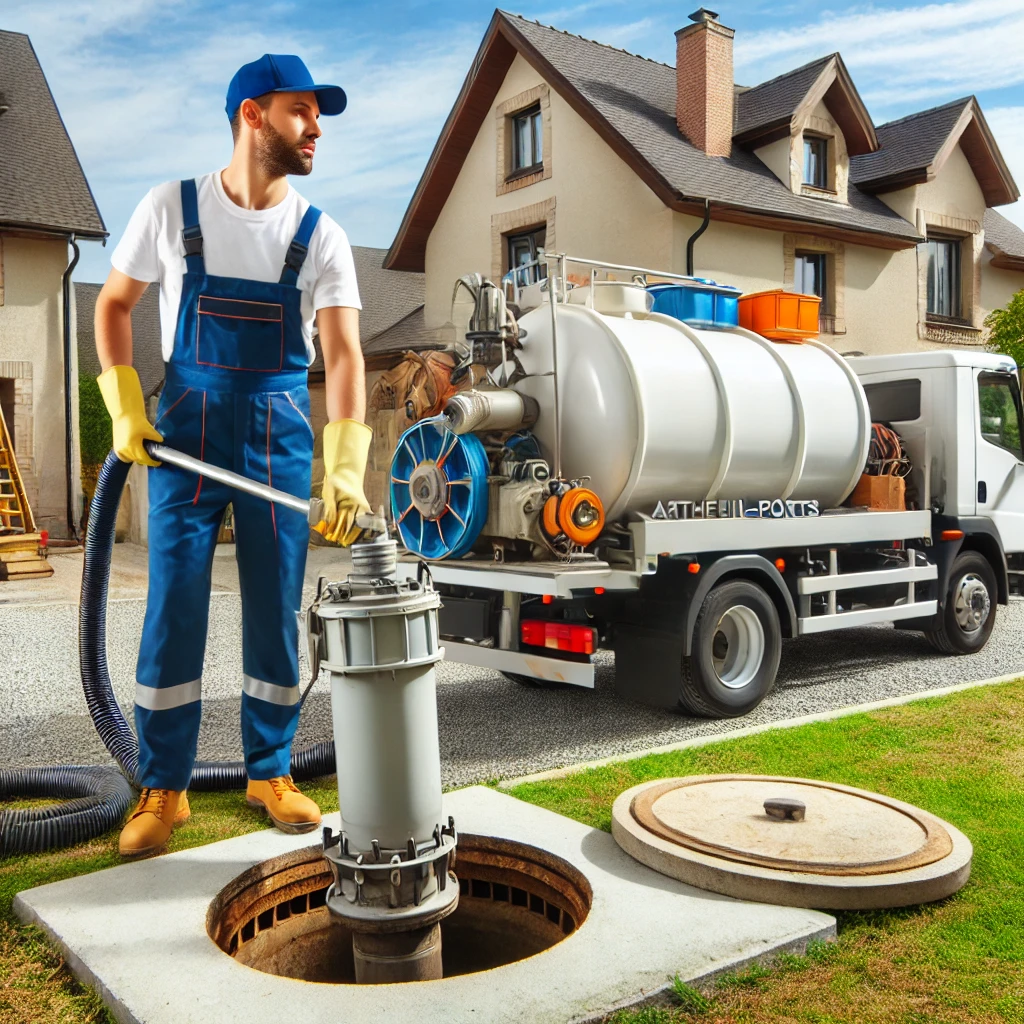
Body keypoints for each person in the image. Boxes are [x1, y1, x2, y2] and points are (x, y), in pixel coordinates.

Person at [94, 54, 371, 858]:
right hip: (184, 433)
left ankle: (270, 770)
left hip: (279, 431)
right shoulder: (170, 207)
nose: (316, 127)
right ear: (252, 115)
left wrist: (344, 466)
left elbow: (347, 356)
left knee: (274, 613)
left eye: (318, 115)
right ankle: (164, 787)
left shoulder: (322, 234)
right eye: (301, 111)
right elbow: (114, 305)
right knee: (174, 606)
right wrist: (122, 407)